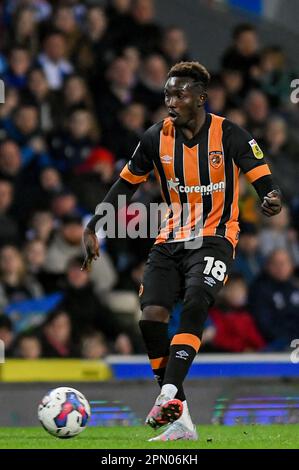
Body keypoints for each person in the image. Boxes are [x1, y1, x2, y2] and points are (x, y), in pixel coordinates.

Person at [82, 61, 282, 441]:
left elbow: (266, 183)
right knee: (151, 318)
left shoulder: (230, 135)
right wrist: (94, 226)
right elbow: (125, 186)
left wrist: (271, 198)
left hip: (216, 236)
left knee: (194, 303)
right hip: (171, 238)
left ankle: (168, 394)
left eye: (180, 94)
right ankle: (181, 419)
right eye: (168, 94)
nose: (171, 101)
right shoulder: (156, 138)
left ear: (201, 98)